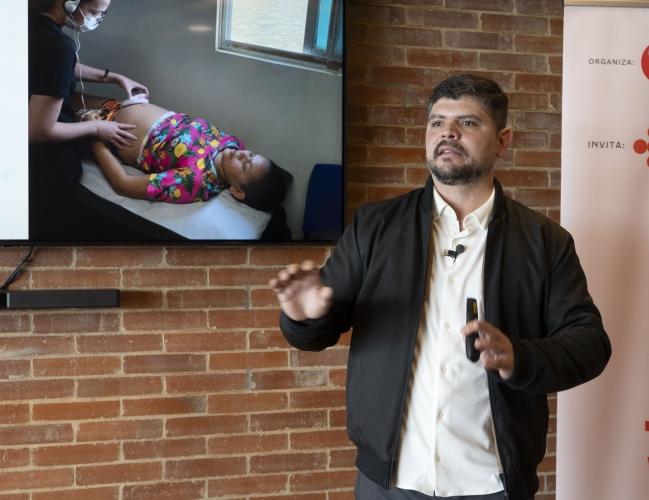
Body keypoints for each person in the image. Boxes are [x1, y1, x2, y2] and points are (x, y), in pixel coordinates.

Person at [270, 74, 611, 500]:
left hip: (493, 482)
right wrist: (305, 315)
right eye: (437, 122)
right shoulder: (373, 226)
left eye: (467, 122)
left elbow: (589, 345)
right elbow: (318, 331)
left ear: (503, 141)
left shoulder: (546, 241)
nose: (447, 132)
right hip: (389, 482)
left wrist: (518, 356)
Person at [28, 0, 150, 239]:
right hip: (46, 168)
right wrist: (96, 127)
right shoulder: (59, 46)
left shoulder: (29, 24)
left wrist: (114, 77)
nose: (98, 19)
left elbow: (59, 65)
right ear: (71, 3)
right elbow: (38, 131)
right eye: (96, 13)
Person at [79, 97, 287, 213]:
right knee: (65, 89)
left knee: (51, 114)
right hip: (114, 105)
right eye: (251, 154)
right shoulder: (232, 144)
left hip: (102, 129)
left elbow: (122, 184)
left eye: (246, 166)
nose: (242, 155)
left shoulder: (195, 181)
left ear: (237, 192)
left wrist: (95, 134)